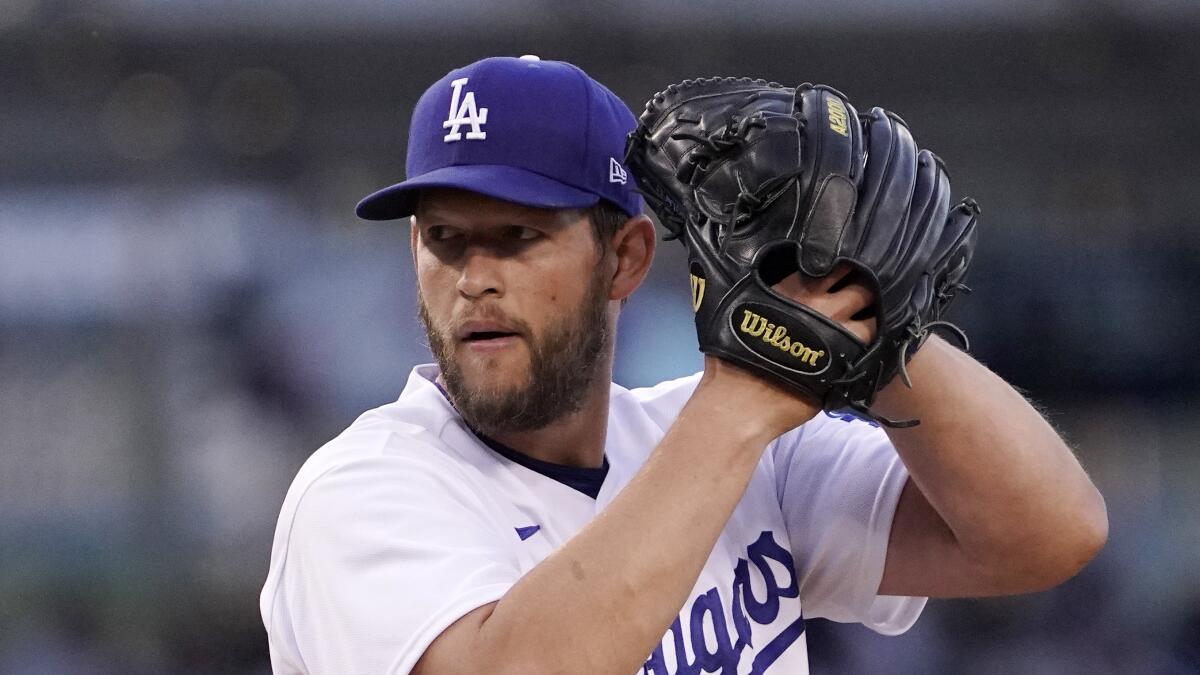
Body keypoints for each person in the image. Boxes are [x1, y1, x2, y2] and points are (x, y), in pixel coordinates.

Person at [259, 55, 1108, 674]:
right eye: (446, 239)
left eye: (517, 237)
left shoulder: (735, 449)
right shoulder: (362, 491)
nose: (474, 276)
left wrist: (868, 314)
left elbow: (1048, 534)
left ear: (624, 258)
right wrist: (744, 398)